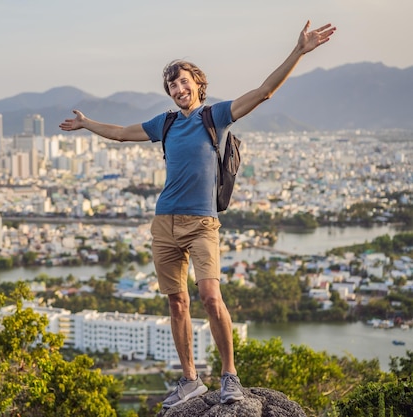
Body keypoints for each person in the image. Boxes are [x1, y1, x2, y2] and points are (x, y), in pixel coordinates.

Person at [59, 20, 336, 408]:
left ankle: (229, 376)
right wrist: (87, 124)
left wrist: (299, 51)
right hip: (164, 222)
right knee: (177, 302)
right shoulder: (166, 123)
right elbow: (122, 132)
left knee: (209, 295)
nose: (178, 89)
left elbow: (264, 92)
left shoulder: (215, 116)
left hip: (202, 223)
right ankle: (190, 379)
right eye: (172, 85)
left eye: (183, 82)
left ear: (197, 84)